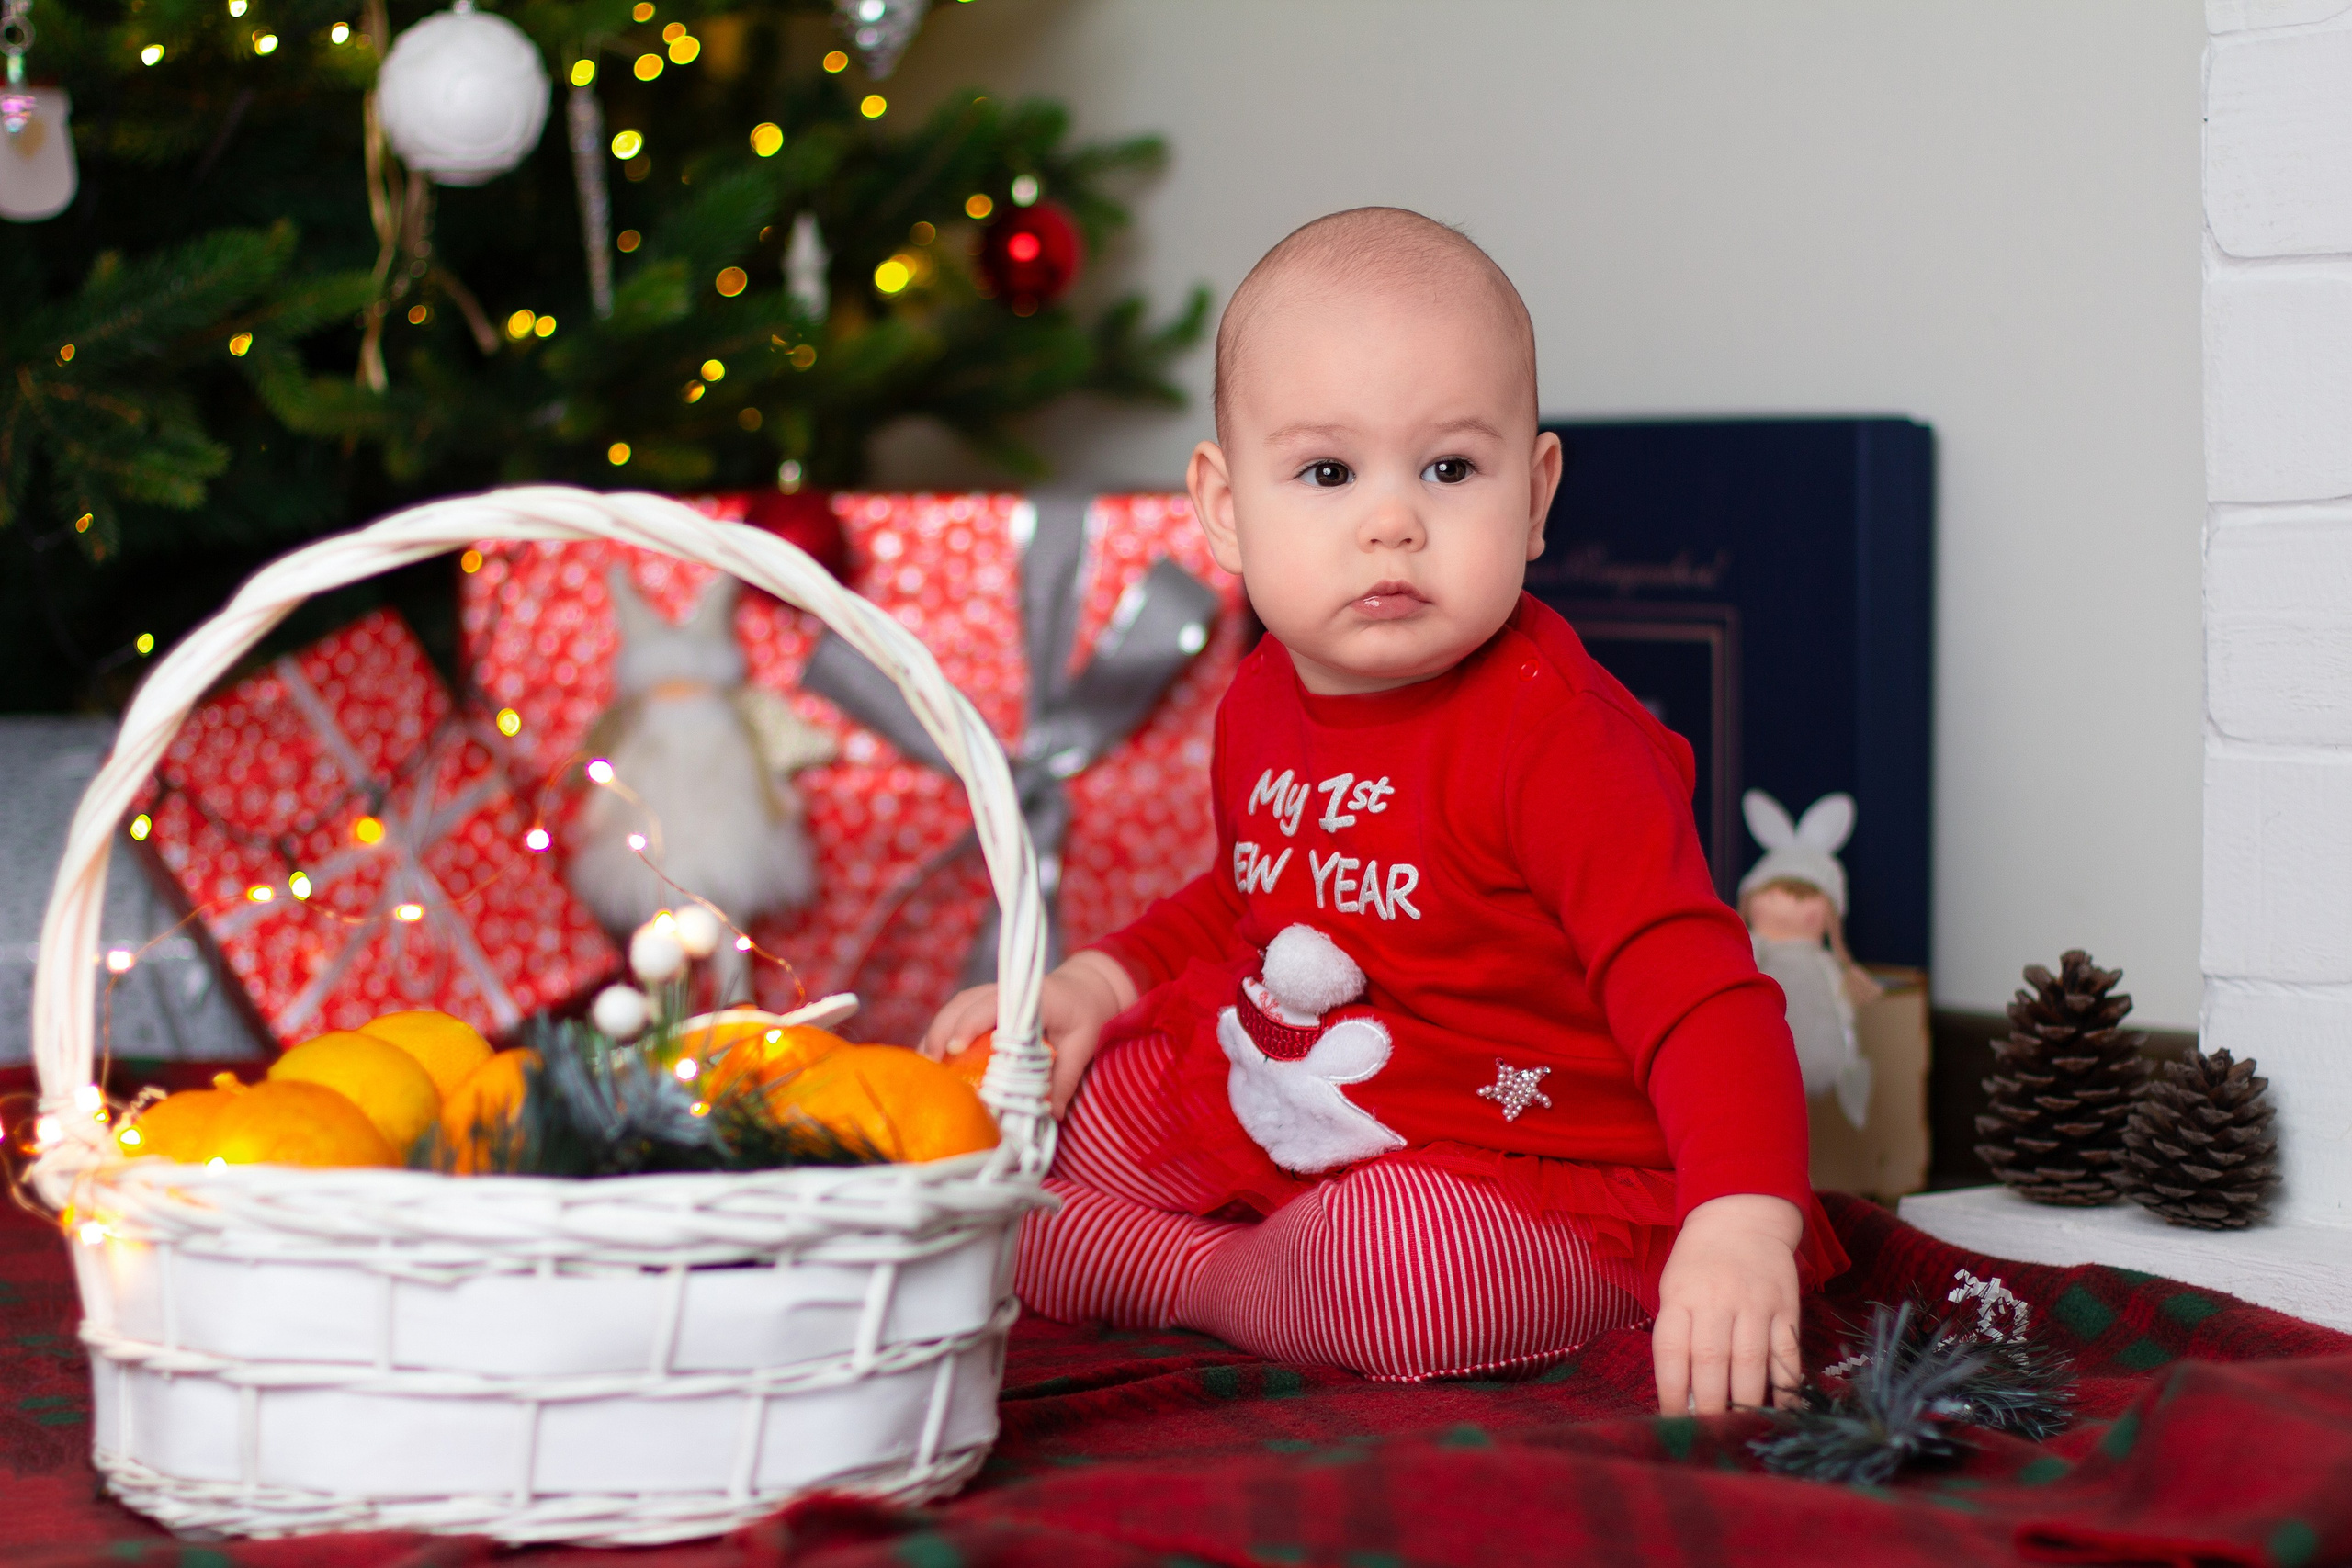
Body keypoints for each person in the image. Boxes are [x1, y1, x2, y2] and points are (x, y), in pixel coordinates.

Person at [922, 207, 1844, 1409]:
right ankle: (1240, 1259)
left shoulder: (1557, 740)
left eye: (1450, 468)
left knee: (1410, 1268)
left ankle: (1217, 1281)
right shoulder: (1260, 698)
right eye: (1326, 472)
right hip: (1317, 1104)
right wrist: (1090, 988)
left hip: (1536, 1160)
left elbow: (1702, 994)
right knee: (1067, 1114)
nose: (1392, 519)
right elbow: (1244, 896)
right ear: (1224, 506)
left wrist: (1739, 1224)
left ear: (1536, 493)